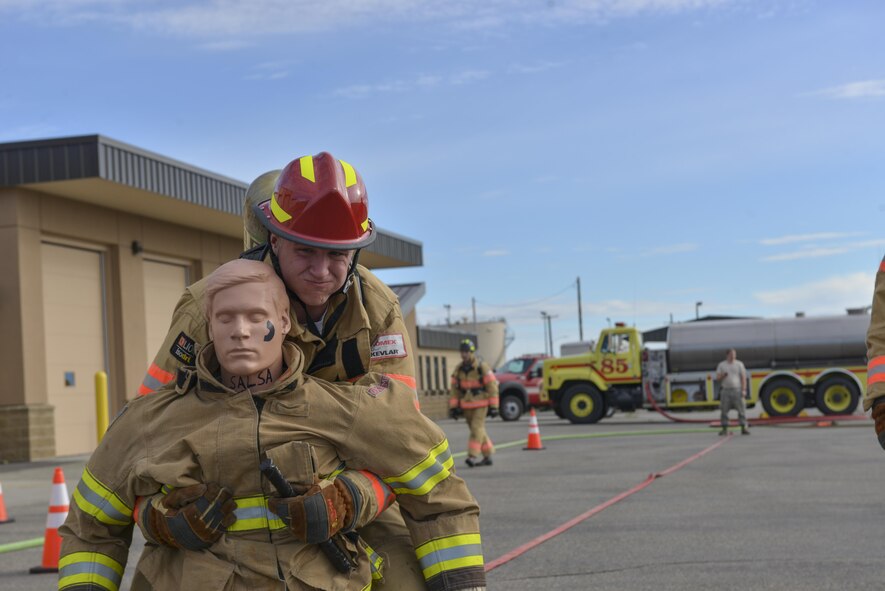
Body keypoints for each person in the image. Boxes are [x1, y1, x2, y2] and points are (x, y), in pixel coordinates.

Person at [59, 259, 487, 591]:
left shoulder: (345, 408)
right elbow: (90, 527)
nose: (241, 332)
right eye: (225, 319)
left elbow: (438, 491)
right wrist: (155, 518)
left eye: (255, 318)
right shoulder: (150, 422)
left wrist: (352, 497)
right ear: (207, 325)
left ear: (285, 324)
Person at [136, 153, 424, 585]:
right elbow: (146, 430)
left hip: (342, 488)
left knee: (406, 578)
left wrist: (352, 497)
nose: (322, 271)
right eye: (305, 250)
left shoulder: (377, 308)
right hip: (227, 500)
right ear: (273, 241)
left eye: (338, 254)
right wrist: (160, 514)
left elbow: (401, 433)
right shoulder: (210, 308)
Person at [449, 339, 499, 467]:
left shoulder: (482, 367)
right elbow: (454, 390)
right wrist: (454, 407)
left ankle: (472, 456)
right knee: (478, 431)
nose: (464, 354)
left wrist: (494, 406)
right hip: (467, 406)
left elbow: (492, 387)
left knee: (476, 429)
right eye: (462, 351)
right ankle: (487, 456)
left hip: (481, 404)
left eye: (466, 351)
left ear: (472, 352)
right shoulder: (458, 369)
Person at [716, 349, 749, 436]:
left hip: (737, 390)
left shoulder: (739, 364)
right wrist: (723, 375)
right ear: (727, 355)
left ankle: (743, 428)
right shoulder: (722, 365)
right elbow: (718, 378)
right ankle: (724, 429)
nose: (733, 356)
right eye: (731, 354)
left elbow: (743, 378)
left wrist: (744, 390)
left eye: (734, 354)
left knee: (741, 410)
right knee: (724, 410)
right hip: (725, 390)